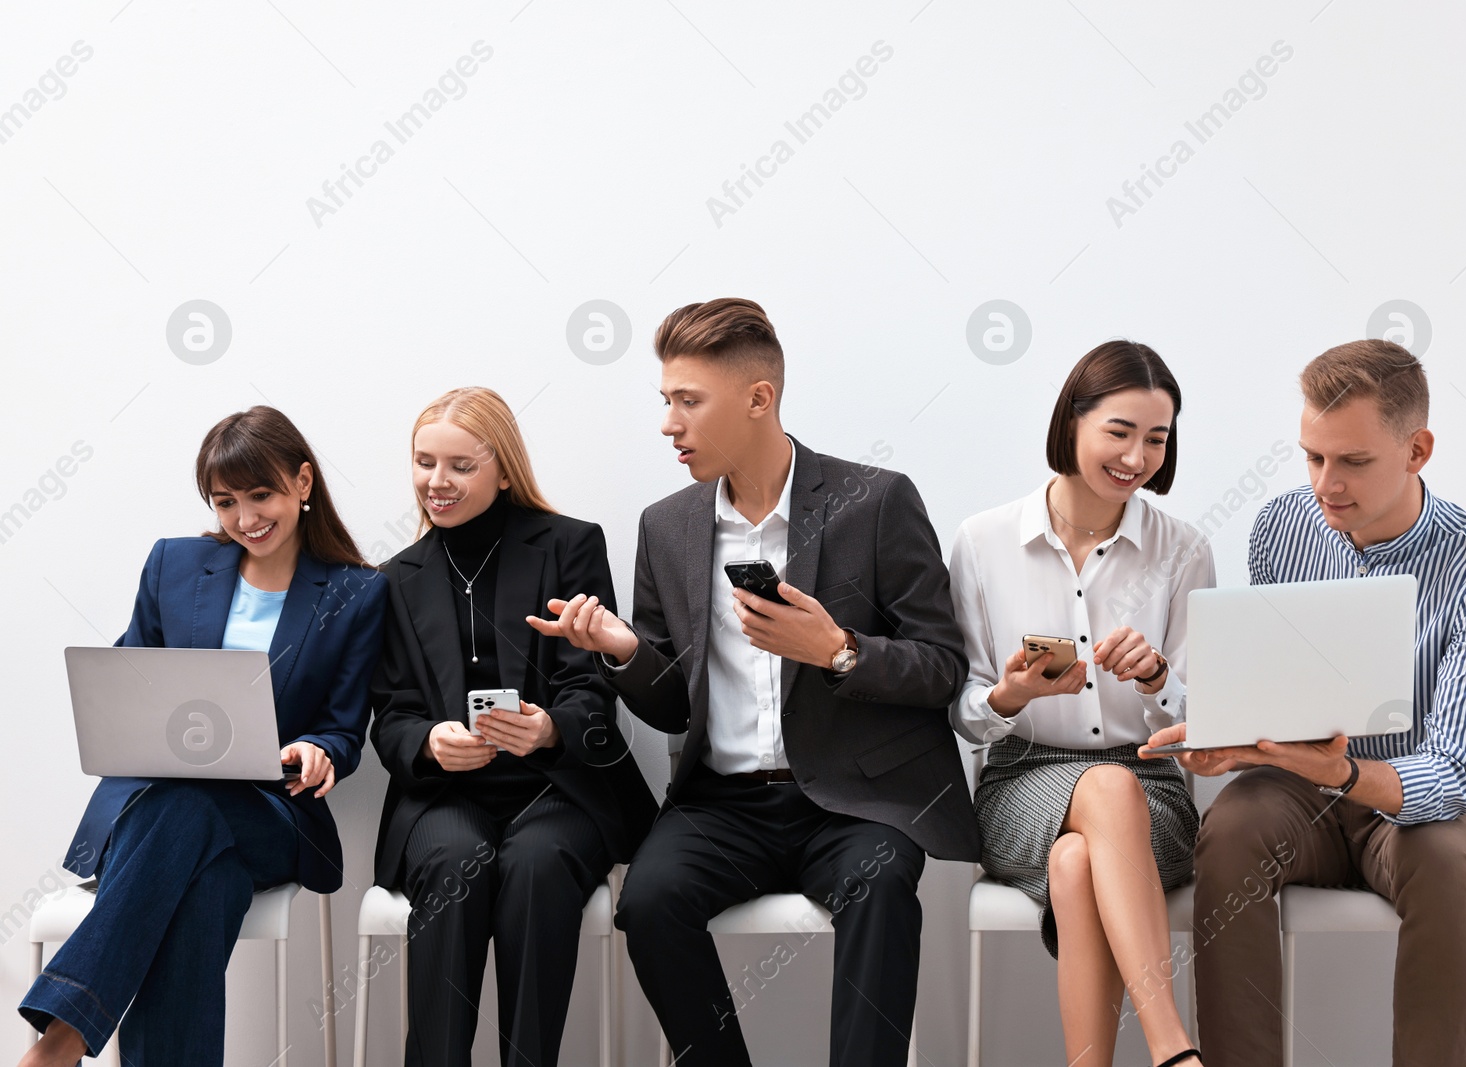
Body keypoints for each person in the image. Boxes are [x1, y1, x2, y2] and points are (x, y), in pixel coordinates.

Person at [530, 298, 981, 1067]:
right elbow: (673, 706)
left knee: (879, 888)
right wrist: (622, 648)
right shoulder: (666, 525)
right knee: (648, 901)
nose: (669, 423)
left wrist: (835, 648)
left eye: (688, 401)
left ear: (758, 398)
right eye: (665, 400)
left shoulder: (875, 500)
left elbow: (942, 668)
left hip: (851, 802)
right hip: (721, 805)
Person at [1142, 339, 1466, 1066]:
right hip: (1309, 792)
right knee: (1231, 829)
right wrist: (1237, 738)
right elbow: (1276, 690)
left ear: (1417, 450)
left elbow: (1450, 775)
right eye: (1313, 457)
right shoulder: (1282, 528)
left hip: (1437, 802)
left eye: (1352, 461)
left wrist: (1346, 774)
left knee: (1440, 854)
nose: (1326, 482)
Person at [18, 406, 388, 1067]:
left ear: (303, 483)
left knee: (189, 811)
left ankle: (63, 1035)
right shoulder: (175, 565)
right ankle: (67, 1036)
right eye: (225, 501)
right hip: (168, 814)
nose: (245, 518)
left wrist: (320, 750)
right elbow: (131, 674)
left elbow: (343, 727)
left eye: (261, 494)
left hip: (272, 813)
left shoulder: (356, 593)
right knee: (202, 884)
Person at [368, 387, 656, 1067]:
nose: (436, 482)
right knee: (452, 861)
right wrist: (430, 743)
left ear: (503, 469)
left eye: (460, 466)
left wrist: (550, 728)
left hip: (558, 788)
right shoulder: (394, 579)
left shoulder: (570, 545)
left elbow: (594, 688)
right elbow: (393, 716)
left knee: (536, 866)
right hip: (447, 796)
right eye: (423, 462)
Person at [950, 340, 1210, 1067]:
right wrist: (1012, 693)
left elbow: (1203, 727)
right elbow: (961, 713)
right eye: (1120, 431)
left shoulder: (1183, 549)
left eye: (1156, 438)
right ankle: (1173, 1049)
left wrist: (1159, 680)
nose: (1138, 456)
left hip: (1152, 784)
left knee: (1076, 860)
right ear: (1073, 421)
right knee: (1097, 791)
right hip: (1019, 780)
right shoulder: (983, 542)